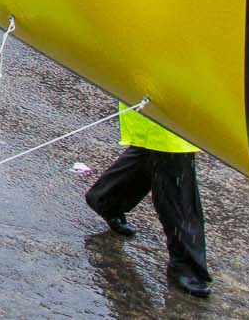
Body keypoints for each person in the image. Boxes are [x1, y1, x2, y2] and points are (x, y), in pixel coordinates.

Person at [84, 103, 212, 297]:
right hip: (167, 92)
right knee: (173, 164)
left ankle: (108, 197)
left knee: (159, 149)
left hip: (175, 94)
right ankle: (187, 264)